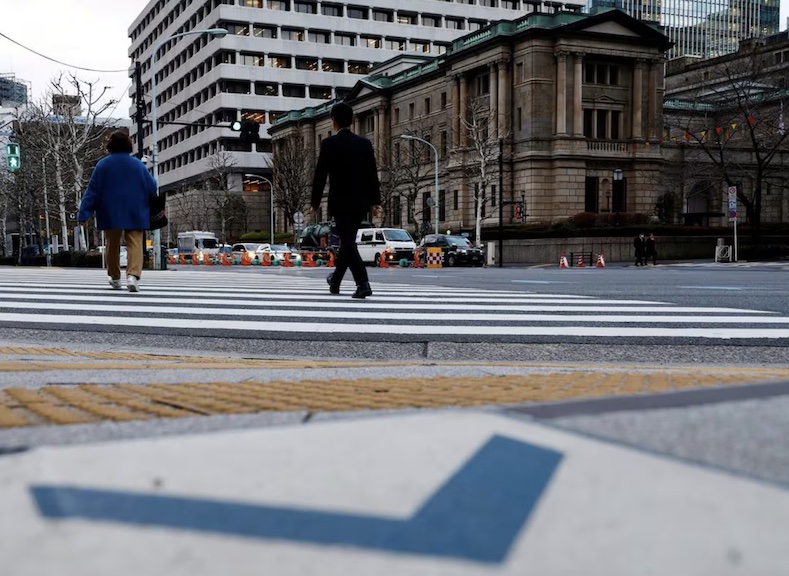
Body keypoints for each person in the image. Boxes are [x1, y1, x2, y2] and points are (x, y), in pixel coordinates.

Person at [311, 102, 382, 299]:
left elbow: (320, 175)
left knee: (348, 243)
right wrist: (376, 202)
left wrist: (314, 203)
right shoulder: (364, 143)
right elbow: (372, 174)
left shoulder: (329, 144)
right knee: (347, 242)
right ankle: (335, 280)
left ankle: (363, 283)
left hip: (340, 202)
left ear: (333, 121)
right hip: (361, 203)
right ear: (351, 120)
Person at [78, 131, 157, 292]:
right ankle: (133, 276)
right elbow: (152, 187)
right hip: (135, 209)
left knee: (112, 244)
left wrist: (84, 213)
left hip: (110, 210)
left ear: (110, 146)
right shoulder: (138, 165)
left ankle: (114, 277)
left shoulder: (103, 165)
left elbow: (93, 191)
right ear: (128, 145)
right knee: (135, 242)